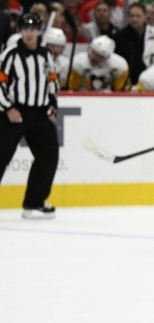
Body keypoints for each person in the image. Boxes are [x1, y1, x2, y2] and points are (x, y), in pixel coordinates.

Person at [0, 13, 60, 220]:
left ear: (39, 31)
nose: (29, 33)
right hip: (13, 113)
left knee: (48, 156)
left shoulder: (46, 55)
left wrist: (53, 104)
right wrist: (8, 108)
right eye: (25, 29)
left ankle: (34, 202)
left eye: (33, 29)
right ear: (20, 31)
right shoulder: (11, 55)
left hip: (40, 113)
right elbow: (0, 83)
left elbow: (52, 80)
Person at [113, 2, 154, 85]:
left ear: (144, 17)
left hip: (149, 83)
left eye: (138, 16)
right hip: (125, 83)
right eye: (132, 16)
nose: (134, 19)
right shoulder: (119, 38)